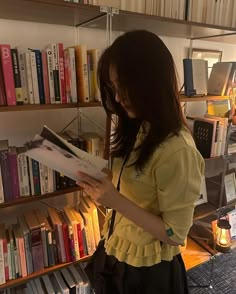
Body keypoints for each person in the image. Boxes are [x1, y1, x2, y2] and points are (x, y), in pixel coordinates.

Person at [76, 30, 205, 294]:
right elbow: (135, 184)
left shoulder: (177, 150)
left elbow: (175, 234)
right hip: (116, 250)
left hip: (148, 272)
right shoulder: (137, 126)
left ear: (151, 82)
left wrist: (113, 199)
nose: (119, 97)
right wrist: (101, 179)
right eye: (112, 88)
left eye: (123, 86)